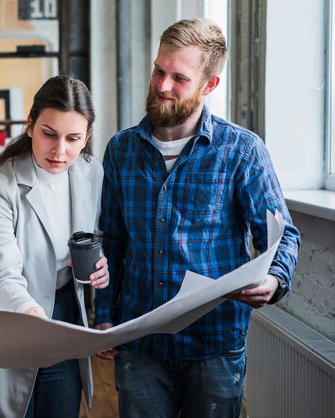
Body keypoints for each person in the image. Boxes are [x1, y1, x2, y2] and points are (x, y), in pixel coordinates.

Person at [94, 17, 301, 418]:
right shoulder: (121, 150)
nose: (162, 85)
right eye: (159, 70)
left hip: (214, 345)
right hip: (140, 342)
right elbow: (113, 242)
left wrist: (274, 279)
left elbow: (283, 234)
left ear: (210, 85)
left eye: (179, 78)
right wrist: (105, 316)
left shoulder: (242, 151)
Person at [0, 75, 110, 418]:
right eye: (49, 134)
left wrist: (100, 263)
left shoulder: (90, 172)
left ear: (87, 137)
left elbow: (91, 239)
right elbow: (2, 273)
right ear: (30, 125)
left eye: (74, 138)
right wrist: (33, 317)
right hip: (12, 315)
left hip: (65, 315)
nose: (60, 150)